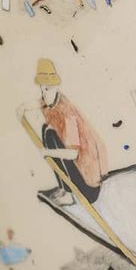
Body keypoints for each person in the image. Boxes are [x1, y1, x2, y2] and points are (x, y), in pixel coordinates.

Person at [18, 59, 108, 205]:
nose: (44, 93)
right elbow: (40, 102)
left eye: (47, 89)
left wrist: (46, 152)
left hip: (87, 188)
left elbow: (72, 154)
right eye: (42, 89)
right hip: (78, 177)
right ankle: (64, 189)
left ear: (55, 88)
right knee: (47, 130)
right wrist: (22, 107)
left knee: (49, 134)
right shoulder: (51, 102)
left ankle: (68, 193)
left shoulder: (67, 115)